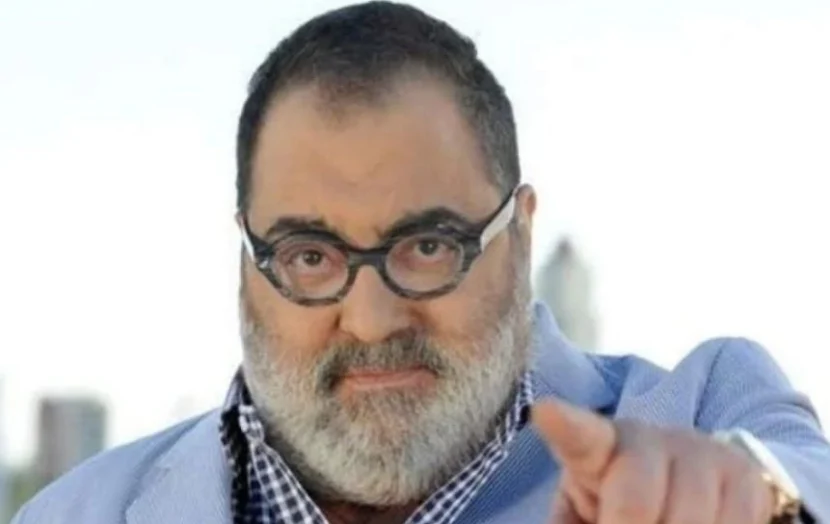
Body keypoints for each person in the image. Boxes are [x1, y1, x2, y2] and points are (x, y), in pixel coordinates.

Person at [13, 3, 829, 523]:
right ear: (245, 260)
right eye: (308, 255)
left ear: (521, 235)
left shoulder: (702, 410)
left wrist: (756, 496)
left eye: (429, 245)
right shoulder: (71, 514)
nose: (372, 321)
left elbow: (803, 479)